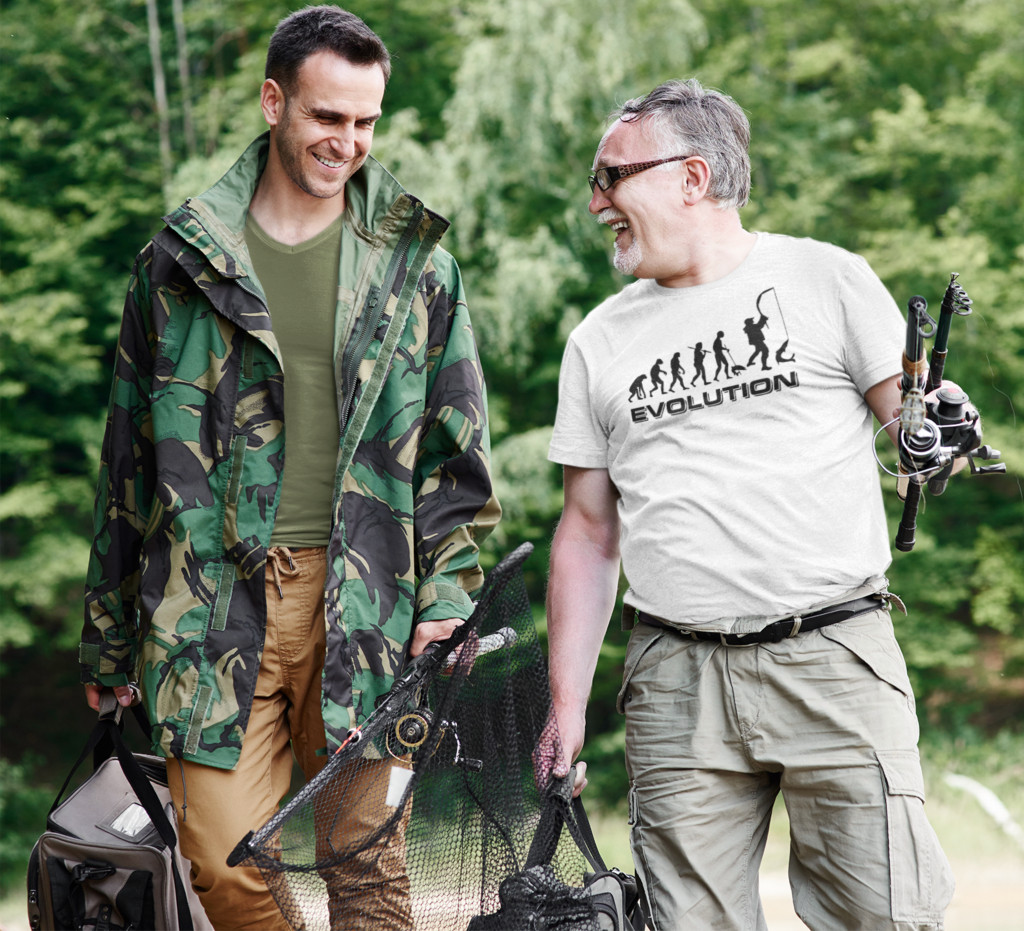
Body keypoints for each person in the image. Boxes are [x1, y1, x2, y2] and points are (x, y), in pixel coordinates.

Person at [79, 6, 500, 929]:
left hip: (369, 601)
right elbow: (126, 465)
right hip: (210, 607)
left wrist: (445, 596)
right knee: (220, 863)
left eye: (365, 121)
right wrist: (108, 638)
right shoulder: (178, 265)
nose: (347, 141)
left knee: (367, 865)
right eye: (326, 116)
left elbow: (455, 453)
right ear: (274, 102)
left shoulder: (416, 266)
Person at [545, 78, 955, 930]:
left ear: (691, 177)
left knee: (887, 915)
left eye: (611, 176)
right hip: (675, 679)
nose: (596, 202)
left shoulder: (827, 278)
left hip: (834, 656)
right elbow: (587, 532)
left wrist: (944, 429)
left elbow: (916, 426)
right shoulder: (597, 341)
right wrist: (566, 705)